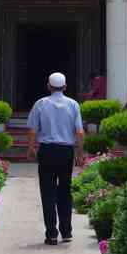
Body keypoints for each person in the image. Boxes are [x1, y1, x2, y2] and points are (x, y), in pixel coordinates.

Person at [26, 72, 84, 245]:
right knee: (65, 191)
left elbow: (32, 130)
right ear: (65, 87)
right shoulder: (73, 104)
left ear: (49, 86)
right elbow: (80, 131)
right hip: (66, 152)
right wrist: (80, 153)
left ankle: (51, 234)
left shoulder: (41, 104)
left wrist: (31, 147)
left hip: (47, 151)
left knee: (48, 192)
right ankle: (66, 233)